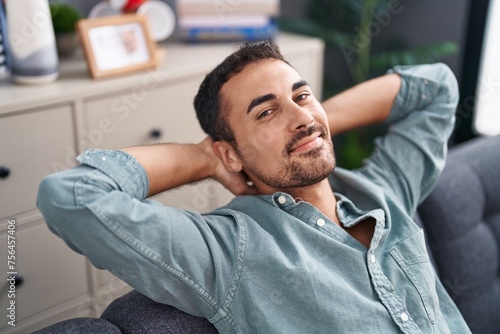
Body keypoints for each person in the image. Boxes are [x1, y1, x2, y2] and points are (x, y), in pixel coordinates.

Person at [37, 41, 471, 333]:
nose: (298, 114)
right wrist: (204, 157)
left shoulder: (382, 192)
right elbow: (71, 197)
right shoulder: (229, 250)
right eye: (265, 113)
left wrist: (310, 129)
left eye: (301, 95)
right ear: (231, 152)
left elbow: (437, 88)